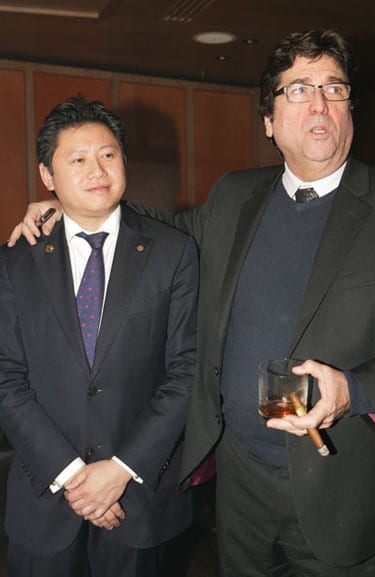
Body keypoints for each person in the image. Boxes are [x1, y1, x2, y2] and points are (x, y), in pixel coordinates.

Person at [9, 29, 375, 576]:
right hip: (240, 488)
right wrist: (67, 208)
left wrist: (355, 390)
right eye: (298, 90)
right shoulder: (235, 196)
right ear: (268, 121)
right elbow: (153, 234)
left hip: (346, 492)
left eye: (334, 89)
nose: (319, 103)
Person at [1, 95, 198, 577]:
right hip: (44, 498)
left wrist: (119, 470)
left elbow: (188, 370)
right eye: (78, 159)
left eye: (108, 154)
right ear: (47, 176)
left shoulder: (173, 252)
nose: (97, 170)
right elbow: (6, 377)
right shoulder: (14, 262)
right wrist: (74, 478)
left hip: (139, 498)